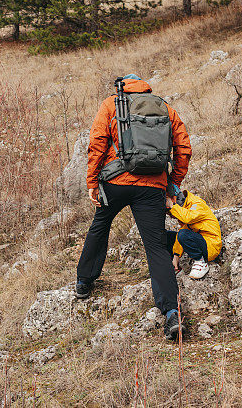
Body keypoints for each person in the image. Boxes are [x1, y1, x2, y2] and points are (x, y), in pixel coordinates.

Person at [76, 74, 192, 341]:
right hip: (152, 187)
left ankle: (84, 282)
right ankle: (172, 314)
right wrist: (171, 183)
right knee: (154, 246)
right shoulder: (165, 108)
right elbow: (183, 148)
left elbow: (96, 145)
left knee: (100, 226)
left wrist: (92, 181)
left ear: (123, 87)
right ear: (146, 88)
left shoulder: (111, 105)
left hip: (115, 182)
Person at [165, 185, 222, 280]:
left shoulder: (196, 203)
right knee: (167, 236)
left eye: (169, 212)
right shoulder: (183, 208)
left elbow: (189, 218)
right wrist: (176, 255)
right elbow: (183, 230)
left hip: (210, 246)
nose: (171, 216)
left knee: (183, 234)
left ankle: (201, 262)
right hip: (200, 241)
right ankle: (174, 267)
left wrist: (172, 206)